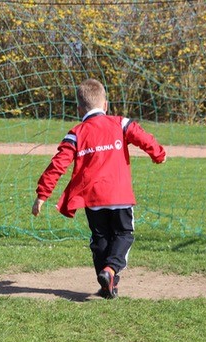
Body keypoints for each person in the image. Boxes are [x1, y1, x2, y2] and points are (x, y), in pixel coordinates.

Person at [32, 78, 166, 299]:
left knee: (100, 238)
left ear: (79, 109)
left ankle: (107, 284)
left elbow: (58, 164)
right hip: (119, 195)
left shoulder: (76, 133)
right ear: (106, 105)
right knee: (123, 233)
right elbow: (144, 138)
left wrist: (42, 194)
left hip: (92, 198)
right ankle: (111, 270)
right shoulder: (121, 123)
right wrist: (158, 154)